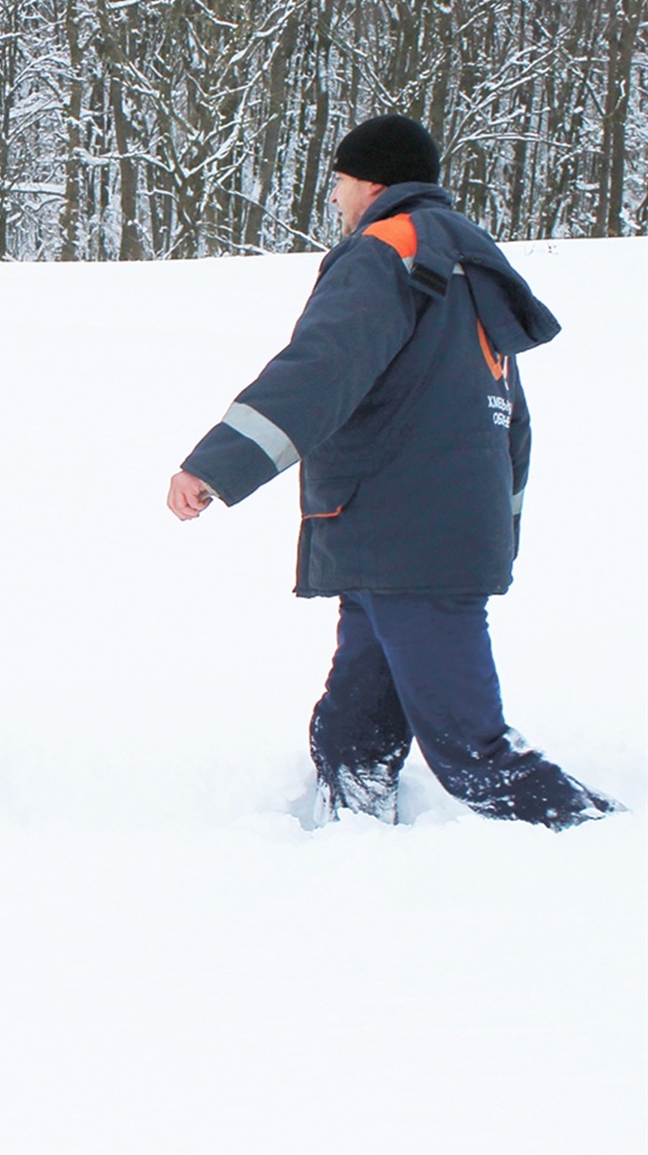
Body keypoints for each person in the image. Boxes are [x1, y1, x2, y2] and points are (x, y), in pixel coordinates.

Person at [167, 115, 618, 829]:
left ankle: (603, 840)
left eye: (342, 182)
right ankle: (359, 841)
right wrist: (498, 528)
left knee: (473, 753)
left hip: (411, 540)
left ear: (372, 179)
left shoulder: (387, 250)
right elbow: (511, 424)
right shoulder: (468, 266)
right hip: (403, 538)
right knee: (353, 727)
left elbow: (323, 369)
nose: (339, 198)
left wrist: (216, 465)